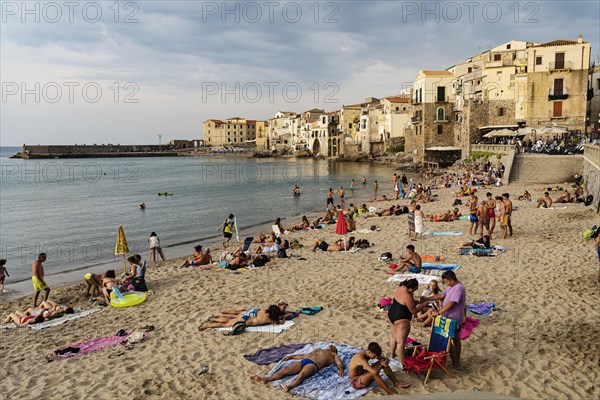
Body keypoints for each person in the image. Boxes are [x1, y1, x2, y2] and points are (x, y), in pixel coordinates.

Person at [421, 270, 467, 369]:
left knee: (451, 339)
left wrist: (438, 312)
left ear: (451, 280)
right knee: (453, 339)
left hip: (454, 317)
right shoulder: (451, 287)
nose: (446, 283)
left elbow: (452, 303)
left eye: (446, 281)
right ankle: (456, 361)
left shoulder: (459, 288)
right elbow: (441, 295)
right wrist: (427, 298)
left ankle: (456, 362)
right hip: (448, 316)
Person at [251, 345, 344, 392]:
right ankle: (266, 380)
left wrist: (341, 370)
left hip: (313, 365)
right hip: (304, 361)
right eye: (331, 345)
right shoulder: (319, 349)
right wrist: (292, 356)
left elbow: (339, 363)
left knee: (302, 375)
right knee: (285, 370)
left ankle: (290, 386)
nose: (331, 345)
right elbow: (305, 355)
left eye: (334, 347)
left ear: (334, 350)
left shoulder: (333, 355)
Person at [388, 279, 424, 364]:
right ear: (412, 288)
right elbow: (414, 311)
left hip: (392, 314)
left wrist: (415, 301)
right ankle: (404, 364)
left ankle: (392, 355)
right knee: (401, 342)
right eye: (415, 289)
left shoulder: (401, 287)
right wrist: (423, 305)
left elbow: (407, 301)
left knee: (393, 336)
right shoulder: (407, 295)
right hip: (401, 318)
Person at [199, 304, 285, 330]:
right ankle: (206, 325)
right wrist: (283, 318)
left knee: (230, 318)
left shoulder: (264, 311)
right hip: (247, 321)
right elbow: (281, 322)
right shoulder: (270, 320)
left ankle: (212, 318)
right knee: (225, 325)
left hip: (249, 313)